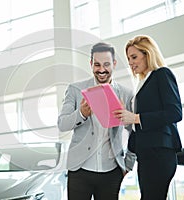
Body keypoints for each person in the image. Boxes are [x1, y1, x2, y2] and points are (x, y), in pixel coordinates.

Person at [57, 42, 136, 200]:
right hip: (80, 170)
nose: (101, 70)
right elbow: (62, 124)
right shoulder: (75, 89)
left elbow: (134, 131)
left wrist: (128, 164)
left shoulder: (126, 94)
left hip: (111, 171)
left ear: (114, 64)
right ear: (91, 63)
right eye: (97, 64)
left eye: (106, 64)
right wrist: (81, 113)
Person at [113, 35, 183, 200]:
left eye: (134, 57)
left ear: (148, 54)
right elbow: (138, 123)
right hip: (146, 153)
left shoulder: (162, 74)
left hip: (160, 152)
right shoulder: (142, 83)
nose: (130, 62)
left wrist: (136, 118)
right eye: (129, 58)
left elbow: (175, 113)